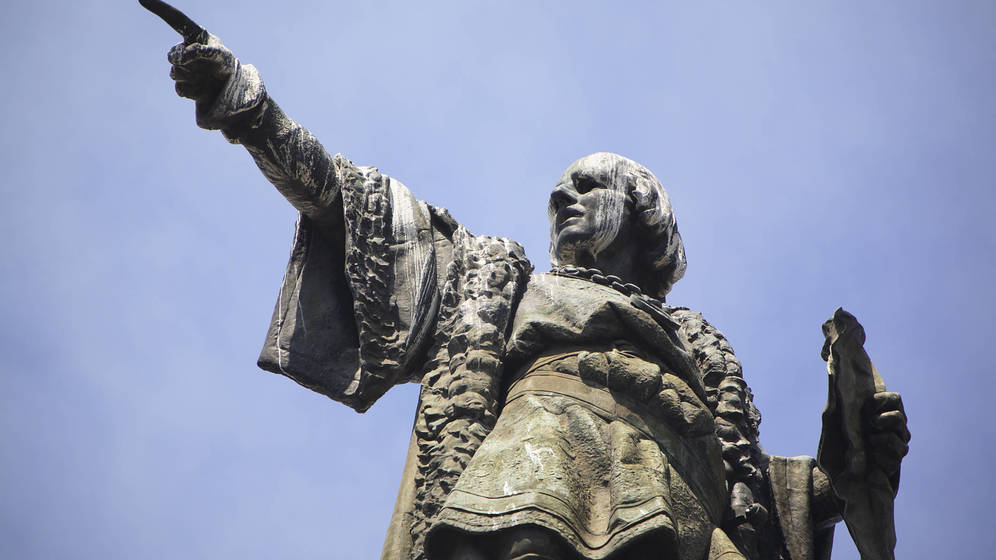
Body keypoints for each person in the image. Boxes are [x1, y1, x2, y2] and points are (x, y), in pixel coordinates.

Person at [153, 12, 909, 560]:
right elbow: (352, 205)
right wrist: (248, 108)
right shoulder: (496, 283)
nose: (562, 197)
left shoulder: (700, 351)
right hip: (533, 481)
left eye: (587, 185)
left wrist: (846, 467)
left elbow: (758, 504)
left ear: (643, 212)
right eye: (558, 191)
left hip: (680, 513)